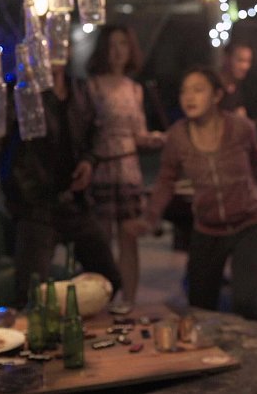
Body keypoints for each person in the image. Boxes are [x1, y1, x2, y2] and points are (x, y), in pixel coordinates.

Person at [140, 67, 257, 320]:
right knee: (200, 307)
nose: (189, 97)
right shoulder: (177, 136)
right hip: (207, 229)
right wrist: (150, 217)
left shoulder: (241, 128)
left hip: (249, 224)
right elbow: (165, 181)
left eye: (198, 90)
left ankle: (251, 344)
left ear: (216, 96)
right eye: (184, 91)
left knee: (245, 303)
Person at [0, 63, 122, 308]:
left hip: (74, 200)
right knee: (31, 292)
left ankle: (83, 321)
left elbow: (95, 133)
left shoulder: (79, 89)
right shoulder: (20, 89)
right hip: (35, 203)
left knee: (109, 278)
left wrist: (89, 161)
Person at [85, 25, 164, 314]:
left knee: (129, 237)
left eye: (123, 44)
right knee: (102, 241)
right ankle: (101, 302)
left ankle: (129, 303)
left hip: (129, 170)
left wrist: (155, 139)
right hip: (102, 168)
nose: (118, 51)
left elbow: (138, 134)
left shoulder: (135, 89)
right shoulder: (92, 86)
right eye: (112, 44)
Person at [218, 41, 253, 117]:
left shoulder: (241, 88)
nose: (245, 66)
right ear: (226, 59)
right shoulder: (212, 86)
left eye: (248, 61)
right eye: (240, 60)